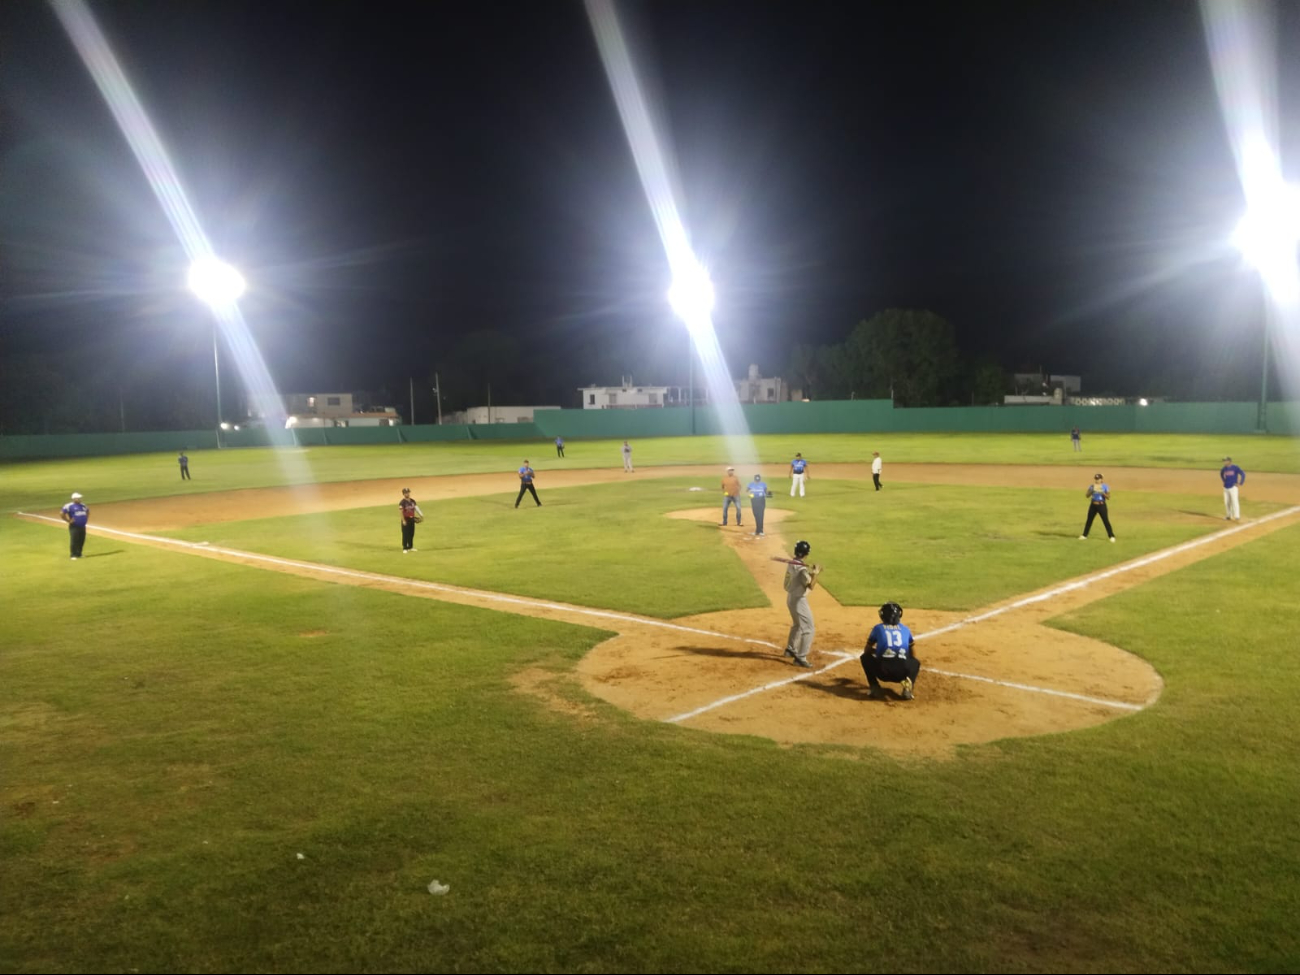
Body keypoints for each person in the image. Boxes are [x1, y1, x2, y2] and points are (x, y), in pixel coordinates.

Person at [861, 601, 920, 700]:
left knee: (865, 657)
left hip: (882, 673)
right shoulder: (906, 629)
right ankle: (907, 688)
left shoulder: (878, 628)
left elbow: (867, 650)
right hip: (901, 674)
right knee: (916, 662)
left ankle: (874, 687)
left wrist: (879, 651)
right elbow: (913, 654)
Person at [782, 540, 820, 668]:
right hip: (799, 601)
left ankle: (790, 649)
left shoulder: (792, 563)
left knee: (798, 624)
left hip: (790, 598)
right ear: (806, 553)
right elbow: (811, 585)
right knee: (809, 628)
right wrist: (816, 573)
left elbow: (801, 576)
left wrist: (810, 572)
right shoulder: (802, 570)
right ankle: (801, 657)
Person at [1079, 472, 1115, 542]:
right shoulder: (1092, 486)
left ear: (1101, 479)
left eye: (1098, 479)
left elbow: (1108, 497)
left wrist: (1102, 493)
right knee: (1089, 520)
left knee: (1105, 520)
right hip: (1093, 505)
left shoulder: (1105, 486)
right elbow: (1087, 495)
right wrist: (1092, 490)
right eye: (1096, 479)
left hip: (1101, 505)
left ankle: (1111, 536)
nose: (1097, 480)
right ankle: (1084, 535)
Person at [60, 492, 89, 560]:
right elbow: (61, 513)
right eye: (78, 498)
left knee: (81, 540)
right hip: (74, 526)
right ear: (74, 499)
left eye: (80, 498)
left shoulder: (83, 505)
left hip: (82, 526)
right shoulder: (69, 506)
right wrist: (68, 520)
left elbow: (87, 512)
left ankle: (79, 553)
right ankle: (73, 555)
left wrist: (85, 519)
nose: (80, 499)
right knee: (74, 540)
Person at [1220, 456, 1246, 521]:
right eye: (1224, 461)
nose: (1224, 462)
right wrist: (1224, 480)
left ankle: (1237, 516)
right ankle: (1228, 515)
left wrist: (1240, 482)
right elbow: (1221, 474)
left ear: (1229, 461)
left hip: (1233, 487)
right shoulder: (1224, 469)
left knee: (1234, 501)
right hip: (1226, 487)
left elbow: (1243, 474)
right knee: (1227, 502)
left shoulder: (1235, 467)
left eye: (1225, 461)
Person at [398, 487, 423, 552]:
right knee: (405, 534)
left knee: (411, 533)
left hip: (412, 519)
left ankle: (410, 547)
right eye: (406, 493)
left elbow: (416, 508)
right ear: (403, 494)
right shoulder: (402, 502)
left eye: (408, 492)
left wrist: (421, 515)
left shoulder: (412, 501)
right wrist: (403, 520)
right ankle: (405, 548)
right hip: (406, 519)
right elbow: (400, 512)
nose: (407, 494)